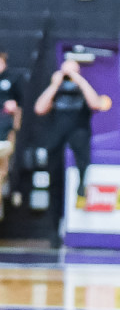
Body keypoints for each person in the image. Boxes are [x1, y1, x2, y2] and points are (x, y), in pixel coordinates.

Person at [33, 59, 107, 225]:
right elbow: (39, 108)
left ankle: (81, 189)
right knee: (55, 181)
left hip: (79, 135)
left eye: (72, 73)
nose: (69, 77)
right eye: (66, 73)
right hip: (57, 139)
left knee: (81, 146)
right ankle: (55, 225)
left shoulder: (83, 88)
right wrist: (54, 85)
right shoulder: (56, 89)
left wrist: (79, 80)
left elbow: (96, 104)